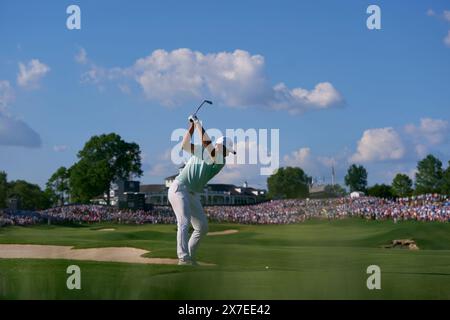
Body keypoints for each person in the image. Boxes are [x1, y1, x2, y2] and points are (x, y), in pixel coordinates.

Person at [168, 114, 236, 265]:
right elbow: (185, 145)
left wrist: (197, 123)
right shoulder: (206, 152)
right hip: (179, 188)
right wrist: (191, 127)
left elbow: (208, 145)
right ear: (220, 146)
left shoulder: (219, 161)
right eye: (226, 150)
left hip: (192, 194)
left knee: (202, 227)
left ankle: (190, 256)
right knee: (184, 222)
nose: (227, 154)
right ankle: (183, 258)